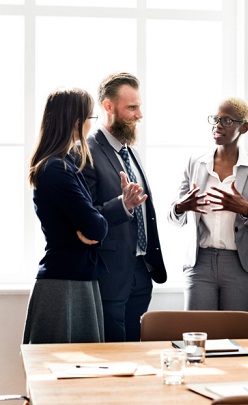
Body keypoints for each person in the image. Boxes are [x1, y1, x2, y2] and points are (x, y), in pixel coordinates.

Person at [168, 97, 248, 313]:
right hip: (200, 264)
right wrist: (180, 207)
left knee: (237, 337)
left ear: (243, 127)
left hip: (241, 265)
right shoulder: (195, 162)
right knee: (198, 337)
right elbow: (174, 217)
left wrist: (244, 208)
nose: (217, 125)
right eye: (215, 119)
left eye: (226, 121)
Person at [83, 72, 167, 342]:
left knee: (135, 351)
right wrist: (123, 204)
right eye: (132, 107)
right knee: (113, 354)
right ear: (108, 107)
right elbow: (86, 218)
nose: (139, 114)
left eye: (139, 106)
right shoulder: (86, 152)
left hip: (142, 270)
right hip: (110, 273)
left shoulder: (131, 152)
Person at [24, 88, 108, 344]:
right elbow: (96, 227)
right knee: (57, 373)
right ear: (75, 122)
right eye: (90, 117)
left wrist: (93, 224)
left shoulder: (65, 164)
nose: (91, 125)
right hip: (64, 285)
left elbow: (93, 225)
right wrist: (94, 224)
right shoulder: (56, 169)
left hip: (76, 279)